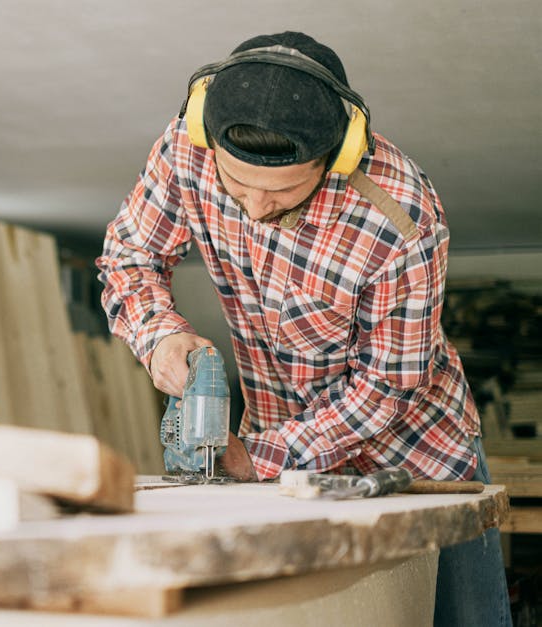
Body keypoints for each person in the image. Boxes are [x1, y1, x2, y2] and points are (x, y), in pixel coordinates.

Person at [96, 31, 511, 626]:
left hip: (415, 457)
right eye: (236, 189)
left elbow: (386, 390)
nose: (257, 209)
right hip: (272, 456)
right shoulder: (185, 153)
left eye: (283, 191)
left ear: (338, 155)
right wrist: (159, 334)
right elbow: (129, 256)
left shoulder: (400, 217)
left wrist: (260, 458)